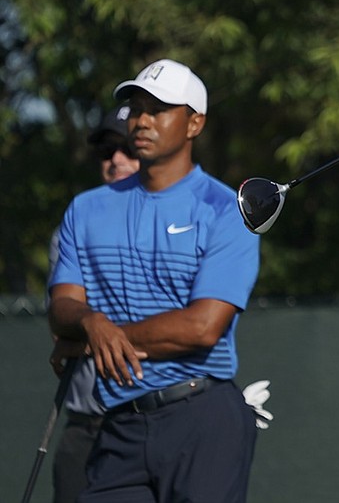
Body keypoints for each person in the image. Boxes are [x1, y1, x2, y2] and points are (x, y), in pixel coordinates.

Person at [48, 59, 261, 502]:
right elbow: (62, 308)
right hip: (119, 421)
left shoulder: (227, 210)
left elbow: (202, 327)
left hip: (202, 416)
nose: (141, 120)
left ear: (194, 123)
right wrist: (90, 323)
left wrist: (97, 338)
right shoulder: (85, 209)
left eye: (159, 109)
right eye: (138, 108)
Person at [48, 107, 139, 503]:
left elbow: (187, 328)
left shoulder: (183, 222)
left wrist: (87, 335)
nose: (115, 159)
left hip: (153, 425)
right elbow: (63, 324)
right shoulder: (74, 224)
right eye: (106, 150)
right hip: (86, 427)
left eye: (126, 148)